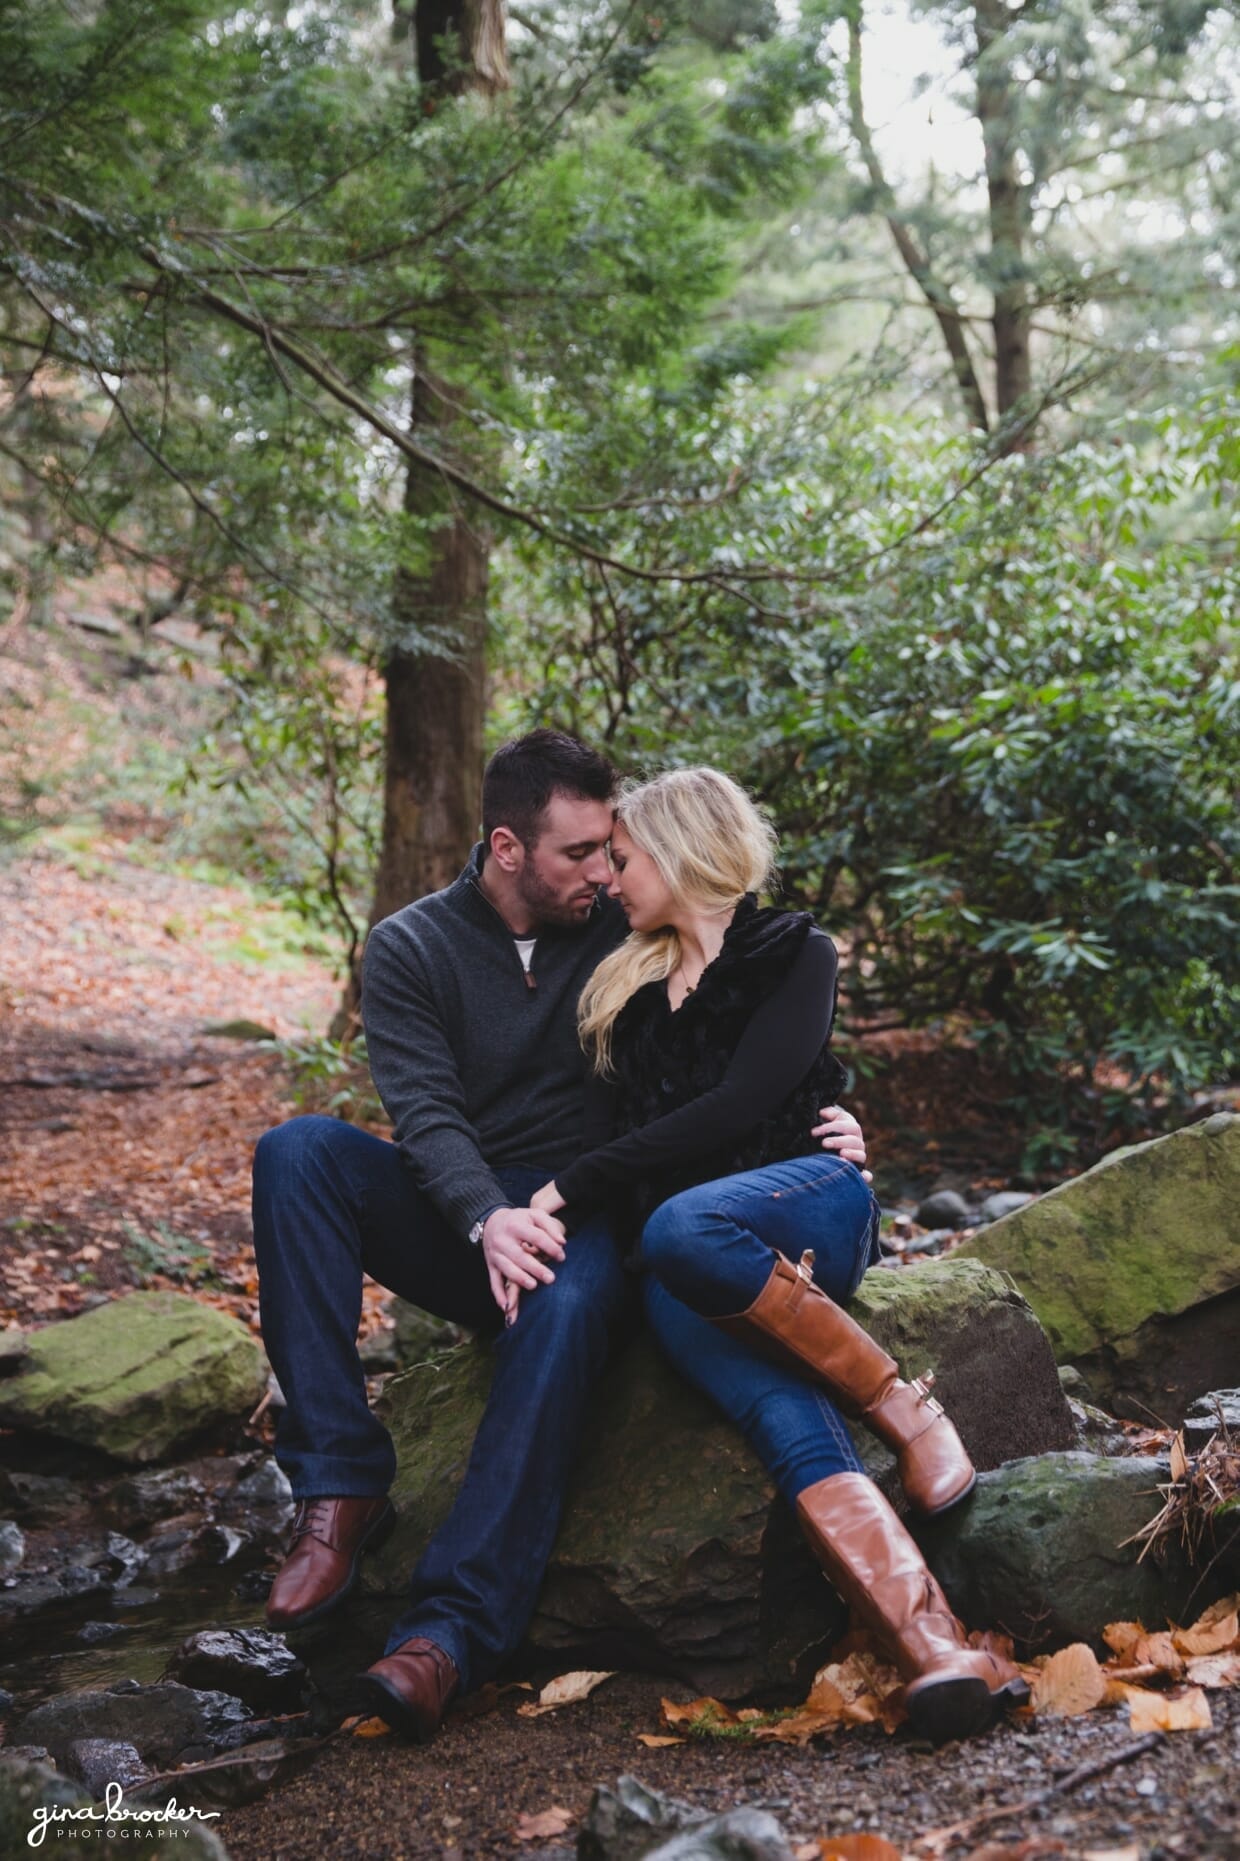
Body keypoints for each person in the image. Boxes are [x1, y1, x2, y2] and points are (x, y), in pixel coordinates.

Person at [251, 730, 871, 1744]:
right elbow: (426, 1114)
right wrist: (482, 1216)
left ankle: (448, 1631)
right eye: (581, 853)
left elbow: (730, 1054)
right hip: (465, 1210)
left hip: (581, 1215)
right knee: (298, 1152)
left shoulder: (627, 926)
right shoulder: (410, 946)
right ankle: (340, 1481)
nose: (604, 871)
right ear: (506, 848)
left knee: (573, 1294)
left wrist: (822, 1132)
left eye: (613, 851)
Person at [530, 768, 1029, 1743]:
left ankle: (902, 1407)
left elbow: (744, 1103)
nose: (612, 879)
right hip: (688, 1263)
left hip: (806, 1206)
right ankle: (940, 1653)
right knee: (779, 1413)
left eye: (624, 857)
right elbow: (640, 1146)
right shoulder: (625, 992)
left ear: (680, 851)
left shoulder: (794, 950)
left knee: (681, 1227)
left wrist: (572, 1185)